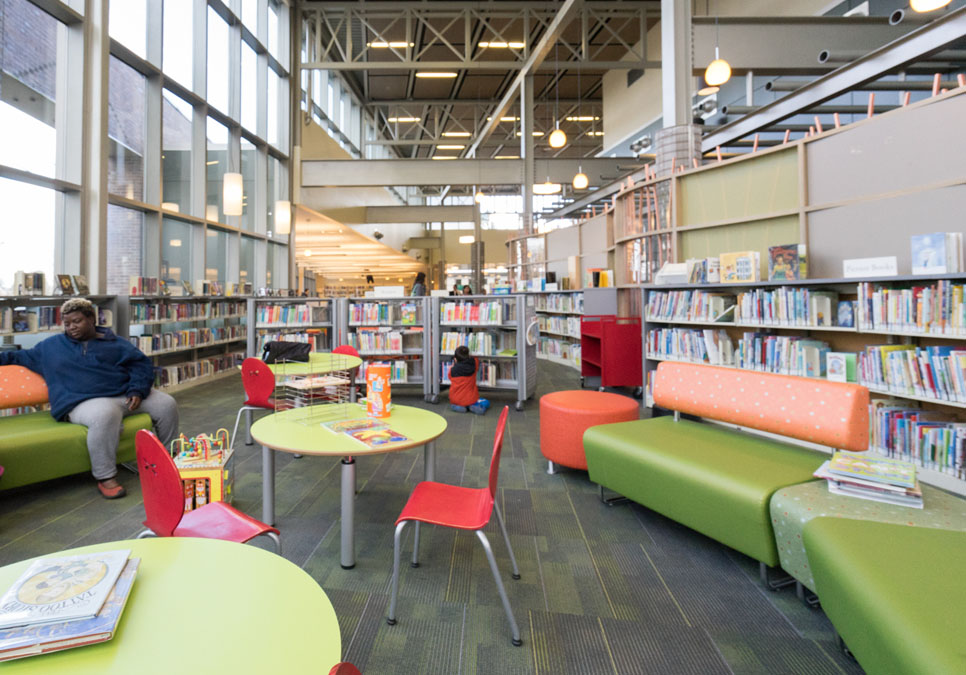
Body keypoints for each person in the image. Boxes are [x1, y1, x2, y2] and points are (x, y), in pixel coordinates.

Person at [0, 298, 179, 499]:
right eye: (67, 324)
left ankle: (168, 459)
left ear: (92, 319)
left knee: (166, 404)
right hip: (81, 401)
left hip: (124, 395)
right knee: (104, 414)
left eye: (77, 321)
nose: (71, 327)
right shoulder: (50, 347)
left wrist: (136, 390)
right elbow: (15, 357)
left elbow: (141, 365)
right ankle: (106, 477)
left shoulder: (116, 343)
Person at [448, 346, 488, 415]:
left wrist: (455, 364)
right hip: (471, 399)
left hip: (455, 399)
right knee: (486, 402)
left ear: (455, 359)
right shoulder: (474, 364)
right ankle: (473, 406)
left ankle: (459, 407)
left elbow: (450, 377)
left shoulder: (452, 370)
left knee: (453, 405)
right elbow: (475, 358)